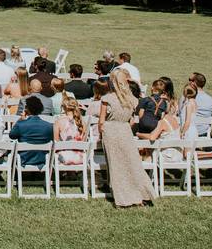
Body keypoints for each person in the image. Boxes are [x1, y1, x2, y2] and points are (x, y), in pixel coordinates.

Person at [97, 68, 155, 207]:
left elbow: (101, 121)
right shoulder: (131, 99)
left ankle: (123, 197)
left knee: (116, 165)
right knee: (132, 163)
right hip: (125, 130)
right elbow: (132, 120)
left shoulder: (107, 99)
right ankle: (141, 194)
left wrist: (101, 132)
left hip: (111, 131)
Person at [9, 96, 54, 168]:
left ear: (27, 110)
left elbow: (11, 135)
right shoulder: (49, 126)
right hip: (42, 159)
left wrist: (20, 120)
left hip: (24, 159)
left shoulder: (21, 125)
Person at [54, 96, 87, 165]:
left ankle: (67, 175)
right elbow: (84, 141)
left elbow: (56, 142)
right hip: (80, 157)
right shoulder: (82, 122)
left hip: (65, 157)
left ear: (63, 107)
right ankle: (72, 174)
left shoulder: (58, 121)